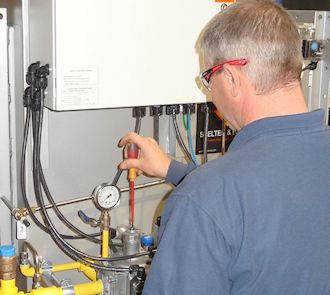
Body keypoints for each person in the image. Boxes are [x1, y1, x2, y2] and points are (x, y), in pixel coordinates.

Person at [119, 0, 330, 294]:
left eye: (207, 78)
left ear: (231, 78)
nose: (208, 93)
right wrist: (173, 170)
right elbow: (273, 199)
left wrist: (199, 191)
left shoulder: (206, 197)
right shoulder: (212, 194)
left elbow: (232, 202)